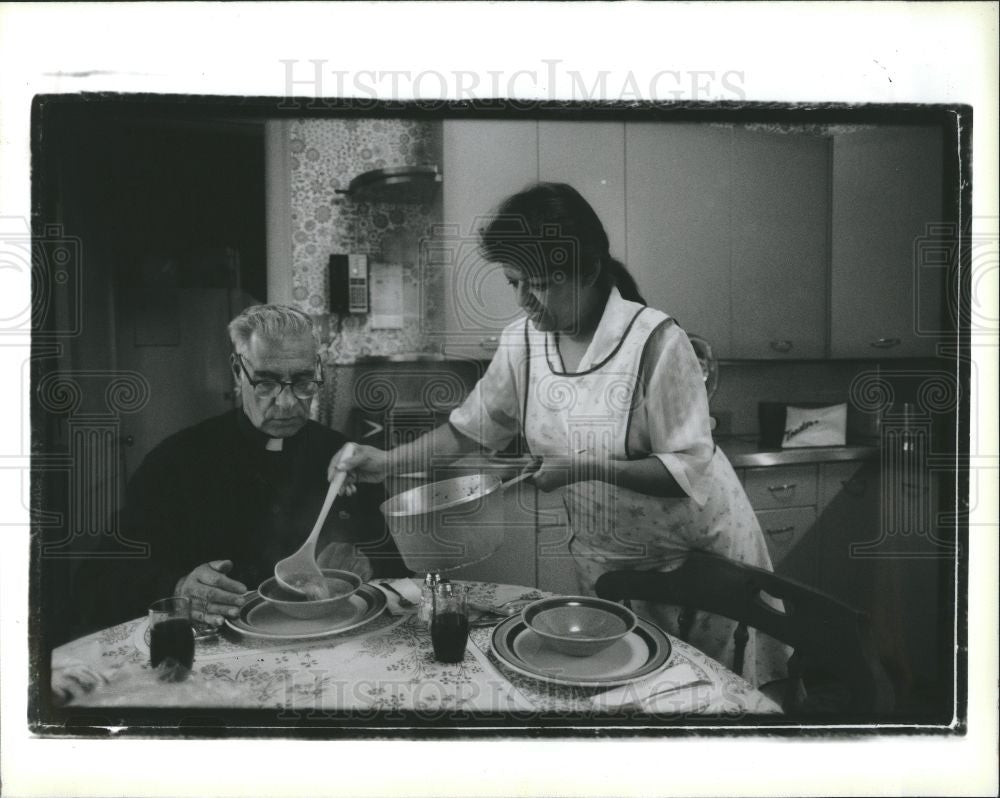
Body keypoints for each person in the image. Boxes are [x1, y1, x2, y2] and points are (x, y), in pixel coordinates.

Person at [332, 183, 788, 687]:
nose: (525, 301)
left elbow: (687, 469)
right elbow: (468, 433)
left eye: (540, 283)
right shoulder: (523, 342)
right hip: (606, 556)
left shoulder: (656, 341)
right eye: (514, 283)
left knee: (709, 695)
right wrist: (385, 461)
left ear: (588, 270)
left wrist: (585, 467)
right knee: (623, 691)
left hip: (697, 556)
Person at [77, 304, 405, 633]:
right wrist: (176, 587)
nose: (287, 403)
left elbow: (397, 559)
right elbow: (103, 575)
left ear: (318, 368)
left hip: (331, 642)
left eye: (304, 381)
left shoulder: (347, 459)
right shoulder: (176, 461)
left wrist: (367, 560)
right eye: (266, 382)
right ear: (238, 371)